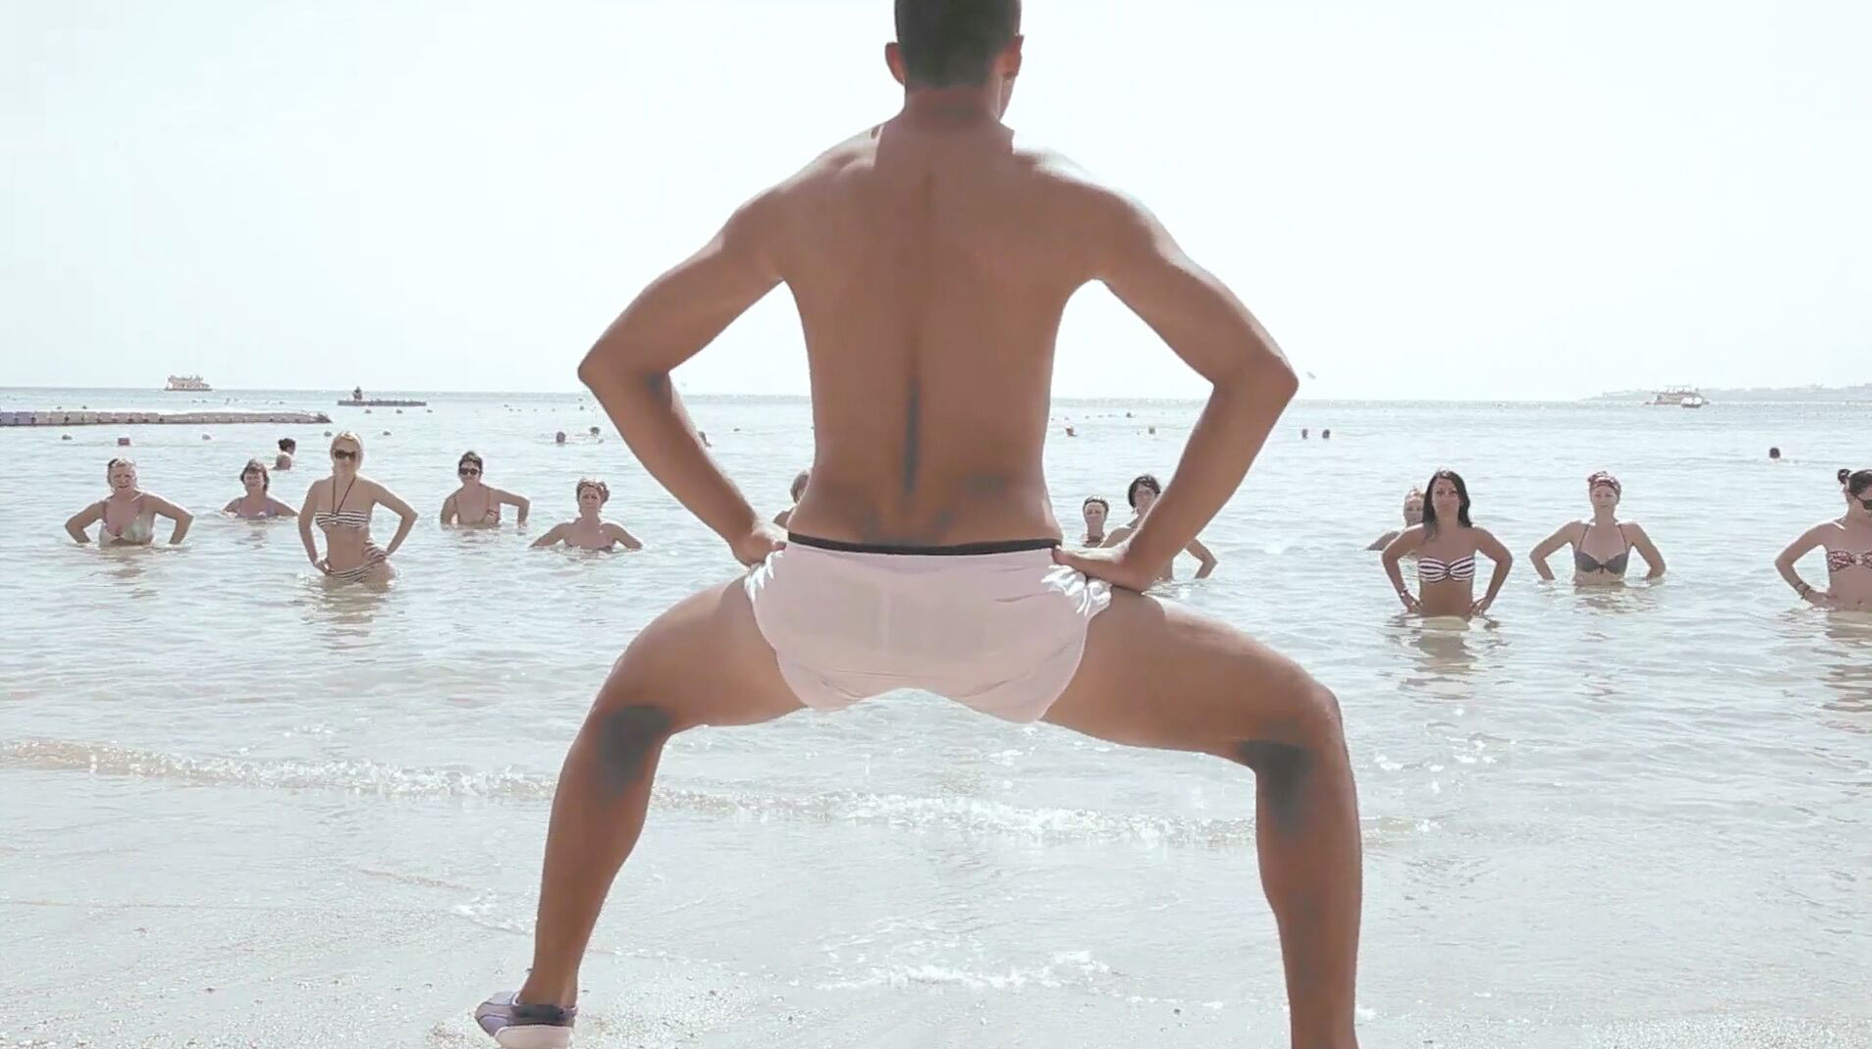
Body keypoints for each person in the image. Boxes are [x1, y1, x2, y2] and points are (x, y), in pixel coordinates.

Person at [473, 5, 1361, 1047]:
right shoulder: (1074, 201)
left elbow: (618, 365)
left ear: (895, 59)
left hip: (817, 592)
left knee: (631, 712)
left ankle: (542, 1007)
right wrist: (1145, 552)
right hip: (1010, 606)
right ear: (1014, 56)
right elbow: (1258, 375)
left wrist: (742, 525)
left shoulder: (801, 201)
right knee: (1300, 728)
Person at [1380, 469, 1512, 618]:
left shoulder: (1475, 535)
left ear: (1462, 499)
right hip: (1426, 620)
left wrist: (1489, 598)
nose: (1446, 498)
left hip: (1464, 620)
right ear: (1430, 499)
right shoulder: (1417, 534)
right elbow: (1388, 556)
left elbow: (1505, 559)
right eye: (1439, 493)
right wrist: (1404, 594)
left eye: (1453, 493)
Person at [296, 432, 416, 584]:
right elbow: (303, 524)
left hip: (371, 571)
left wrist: (388, 550)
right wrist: (314, 558)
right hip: (333, 573)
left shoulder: (369, 488)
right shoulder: (318, 488)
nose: (347, 460)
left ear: (360, 458)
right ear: (332, 455)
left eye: (353, 455)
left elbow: (409, 514)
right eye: (341, 454)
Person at [1528, 471, 1665, 584]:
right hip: (1582, 600)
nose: (1602, 500)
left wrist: (1640, 591)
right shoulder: (1576, 528)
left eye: (1608, 495)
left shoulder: (1630, 530)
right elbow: (1537, 555)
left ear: (1617, 499)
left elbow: (1658, 567)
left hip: (1616, 600)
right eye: (1597, 495)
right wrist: (1551, 585)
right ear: (1591, 498)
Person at [1775, 468, 1872, 611]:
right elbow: (1783, 561)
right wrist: (1809, 594)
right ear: (1850, 496)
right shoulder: (1827, 531)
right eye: (1870, 504)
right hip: (1837, 616)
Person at [1100, 473, 1218, 580]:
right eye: (1139, 494)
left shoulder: (1171, 531)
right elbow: (1094, 557)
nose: (1144, 498)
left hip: (1165, 591)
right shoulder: (1122, 533)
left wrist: (1193, 588)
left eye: (1148, 493)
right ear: (1133, 499)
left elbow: (1209, 561)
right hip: (1136, 593)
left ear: (1157, 497)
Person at [64, 457, 193, 546]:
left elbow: (185, 517)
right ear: (109, 480)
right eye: (117, 476)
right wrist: (88, 549)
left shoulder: (149, 501)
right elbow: (72, 526)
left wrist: (172, 547)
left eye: (128, 476)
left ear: (135, 479)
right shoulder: (102, 506)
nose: (122, 480)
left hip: (141, 564)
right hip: (108, 568)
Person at [531, 479, 644, 552]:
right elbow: (535, 548)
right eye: (585, 497)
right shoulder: (565, 528)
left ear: (601, 501)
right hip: (572, 571)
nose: (589, 501)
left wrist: (616, 558)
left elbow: (638, 549)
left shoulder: (612, 529)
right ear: (578, 500)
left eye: (594, 497)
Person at [440, 451, 532, 528]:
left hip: (491, 542)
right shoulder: (452, 501)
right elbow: (445, 527)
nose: (468, 475)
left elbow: (524, 503)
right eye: (464, 471)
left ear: (480, 474)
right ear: (459, 474)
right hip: (466, 541)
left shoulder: (493, 494)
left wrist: (521, 526)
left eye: (473, 472)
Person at [223, 458, 298, 519]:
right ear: (243, 481)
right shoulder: (237, 504)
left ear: (264, 480)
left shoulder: (273, 504)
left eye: (256, 477)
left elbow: (297, 517)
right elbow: (221, 519)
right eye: (249, 478)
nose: (252, 481)